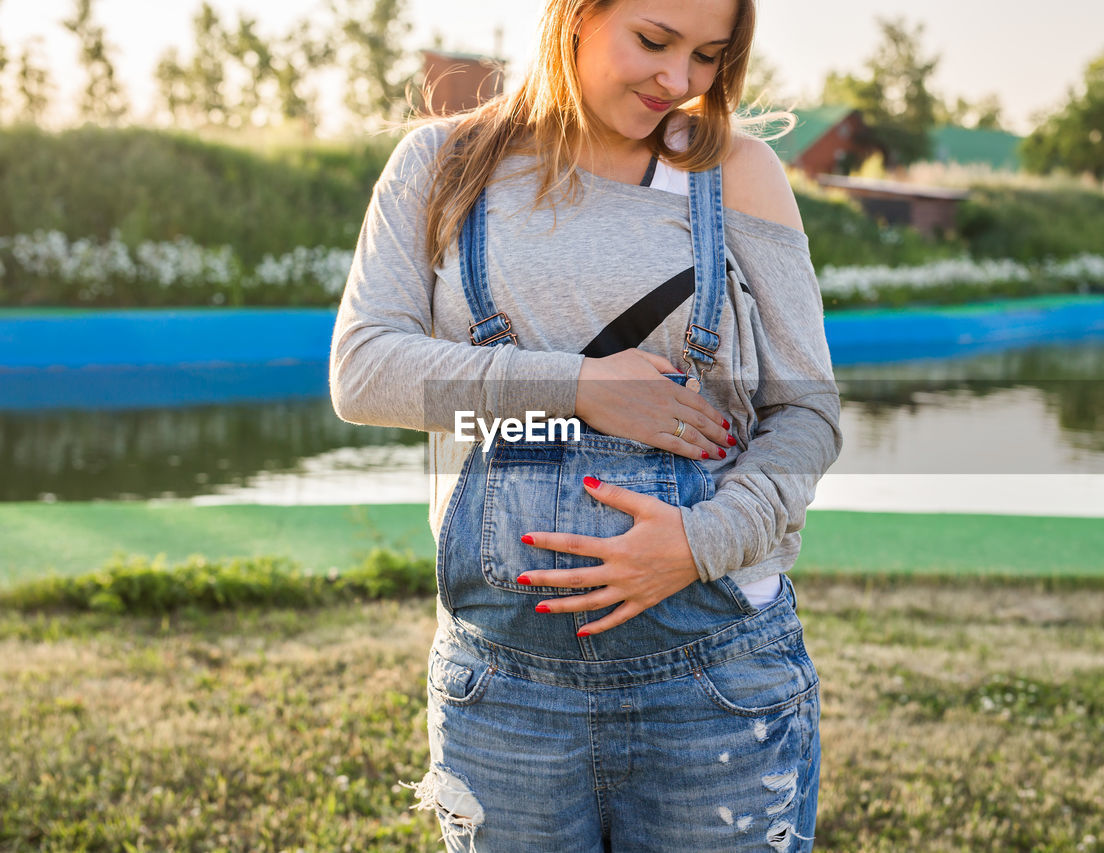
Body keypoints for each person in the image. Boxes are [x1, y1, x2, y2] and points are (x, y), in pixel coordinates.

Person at [329, 0, 843, 849]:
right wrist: (577, 386)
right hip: (503, 691)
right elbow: (366, 372)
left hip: (713, 679)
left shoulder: (737, 173)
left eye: (709, 56)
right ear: (575, 16)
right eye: (653, 40)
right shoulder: (440, 162)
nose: (678, 81)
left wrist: (700, 540)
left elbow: (806, 410)